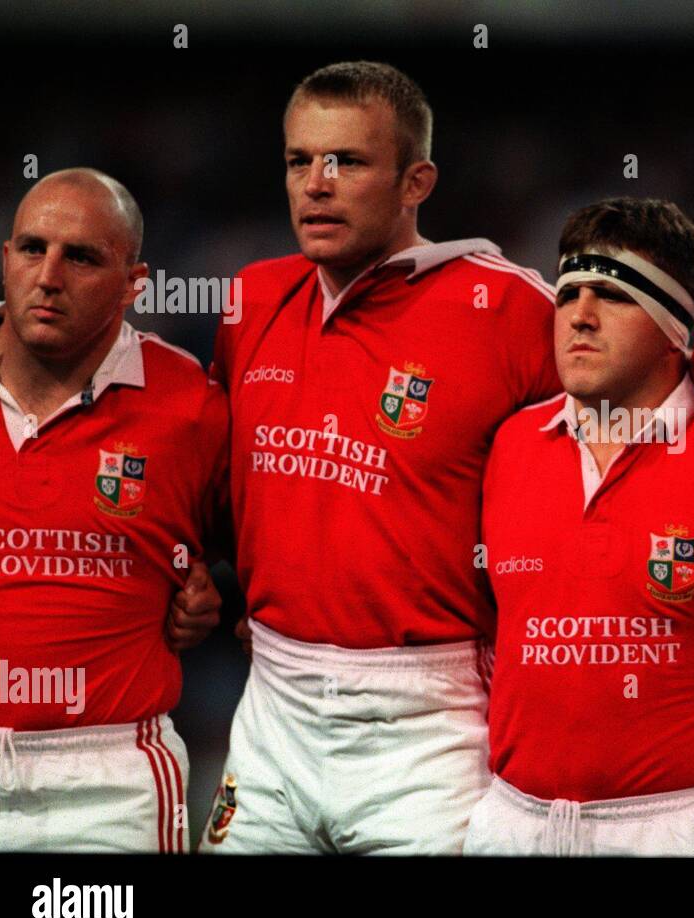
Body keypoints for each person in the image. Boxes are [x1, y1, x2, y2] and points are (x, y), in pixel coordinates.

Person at [201, 61, 562, 854]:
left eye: (348, 162)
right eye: (300, 161)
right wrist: (185, 565)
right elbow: (201, 470)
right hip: (272, 710)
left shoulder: (512, 309)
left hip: (430, 726)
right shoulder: (252, 299)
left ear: (416, 181)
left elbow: (644, 440)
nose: (316, 185)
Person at [464, 198, 694, 856]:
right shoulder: (510, 443)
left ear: (676, 326)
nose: (578, 318)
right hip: (511, 818)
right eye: (568, 295)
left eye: (611, 295)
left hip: (666, 826)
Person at [0, 168, 227, 852]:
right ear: (6, 260)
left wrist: (207, 588)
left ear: (134, 283)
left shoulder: (189, 406)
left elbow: (262, 545)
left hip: (105, 785)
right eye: (33, 249)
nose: (49, 276)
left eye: (82, 257)